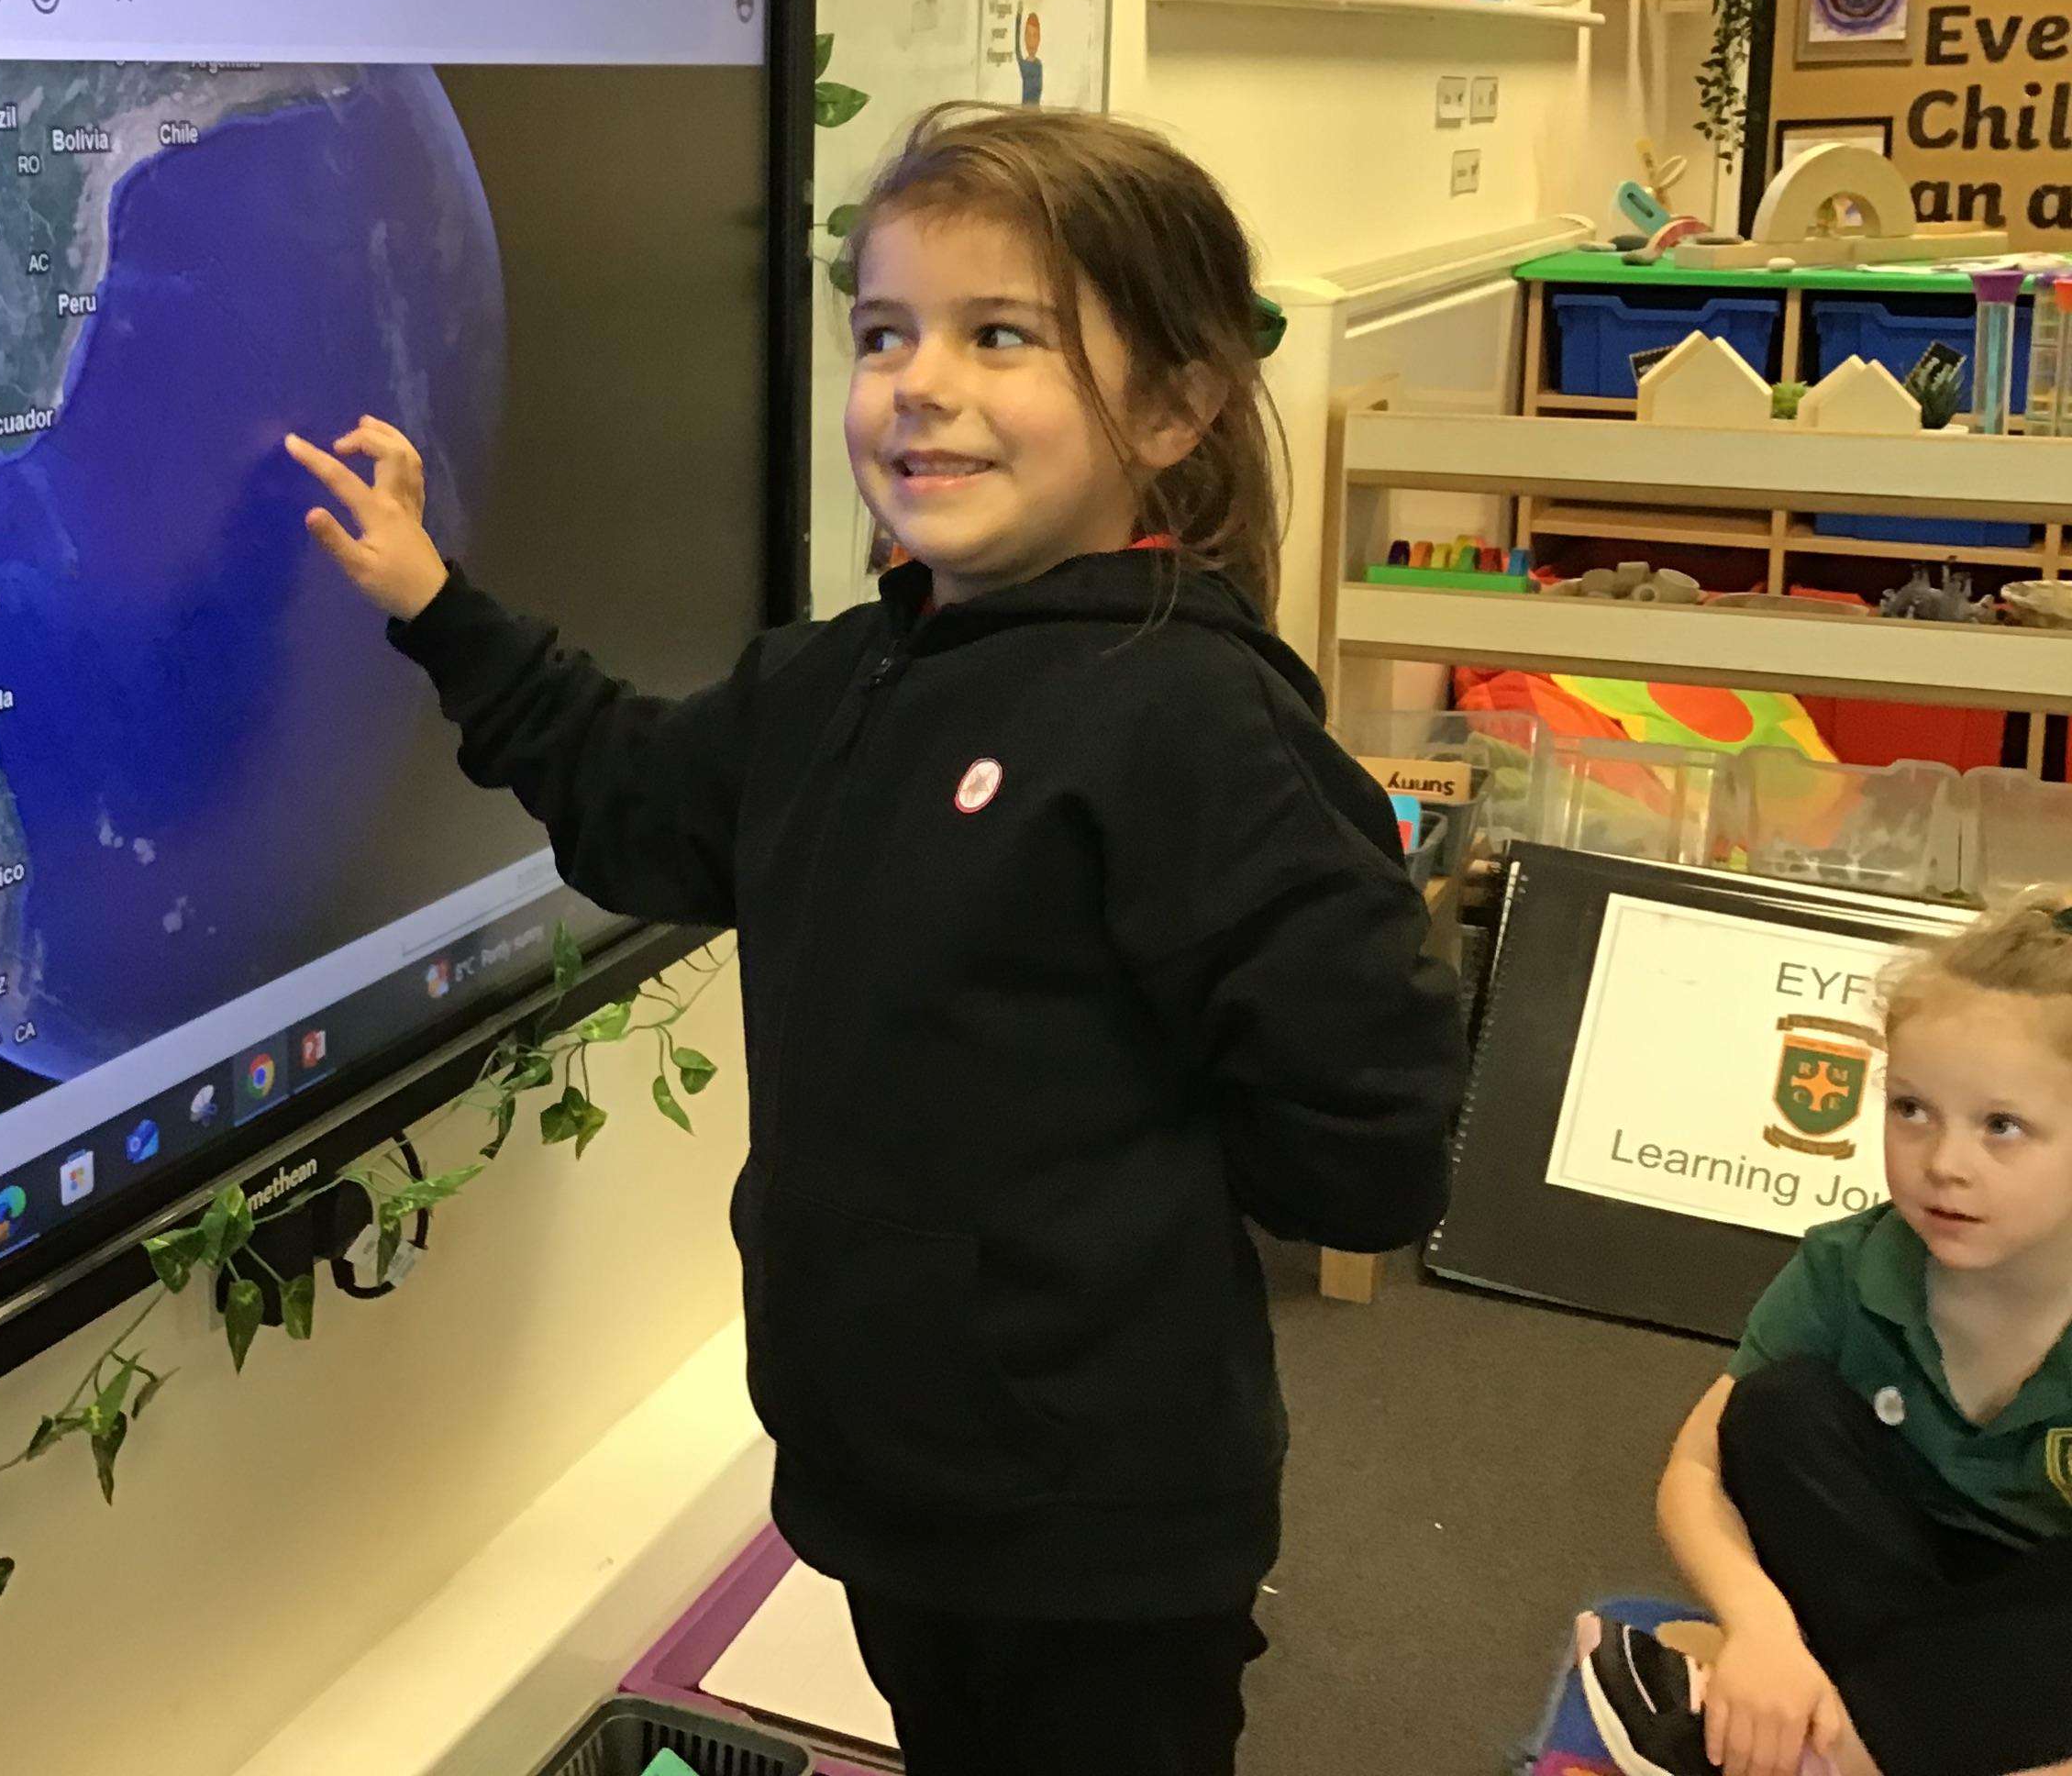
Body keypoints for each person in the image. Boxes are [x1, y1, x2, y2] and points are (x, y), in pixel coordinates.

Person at [285, 103, 1468, 1773]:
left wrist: (1124, 1192)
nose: (919, 383)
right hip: (882, 1477)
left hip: (1097, 1527)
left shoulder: (1191, 719)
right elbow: (632, 800)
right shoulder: (830, 683)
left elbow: (1367, 1132)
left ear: (1173, 405)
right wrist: (435, 600)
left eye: (1001, 336)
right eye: (885, 332)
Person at [1582, 892, 2072, 1776]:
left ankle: (1820, 1752)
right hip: (1885, 1599)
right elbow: (1696, 1472)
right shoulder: (1851, 1265)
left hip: (2043, 1633)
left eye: (2002, 1127)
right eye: (1912, 1109)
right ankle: (1877, 1731)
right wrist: (1762, 1630)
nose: (1943, 1162)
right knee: (1775, 1411)